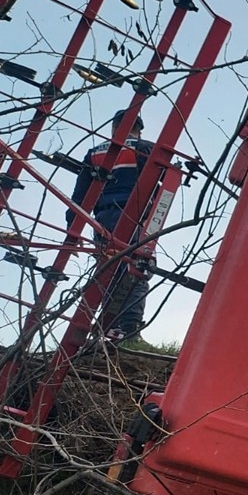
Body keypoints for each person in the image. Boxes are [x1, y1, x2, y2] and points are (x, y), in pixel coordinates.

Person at [65, 109, 154, 342]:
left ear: (114, 127)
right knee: (139, 266)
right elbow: (160, 180)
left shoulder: (94, 153)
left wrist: (72, 230)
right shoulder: (145, 148)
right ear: (139, 128)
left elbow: (79, 197)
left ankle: (110, 328)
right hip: (134, 214)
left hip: (103, 219)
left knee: (108, 270)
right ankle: (130, 329)